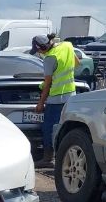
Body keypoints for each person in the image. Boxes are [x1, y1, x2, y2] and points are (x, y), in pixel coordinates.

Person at [30, 34, 79, 168]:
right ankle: (61, 158)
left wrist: (40, 102)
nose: (39, 53)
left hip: (56, 99)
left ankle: (48, 159)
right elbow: (77, 63)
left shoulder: (50, 58)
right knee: (62, 128)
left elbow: (48, 83)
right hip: (70, 95)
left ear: (41, 48)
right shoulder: (67, 46)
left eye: (38, 51)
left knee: (48, 129)